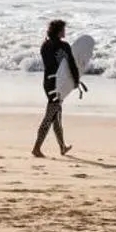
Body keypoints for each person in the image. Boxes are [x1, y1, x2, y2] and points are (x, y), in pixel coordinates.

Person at [33, 19, 84, 157]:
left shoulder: (45, 45)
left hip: (48, 83)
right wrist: (75, 81)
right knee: (50, 116)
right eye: (63, 29)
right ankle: (36, 148)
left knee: (56, 115)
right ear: (59, 31)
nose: (65, 31)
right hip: (58, 84)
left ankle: (62, 147)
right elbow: (72, 65)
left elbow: (51, 66)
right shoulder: (64, 46)